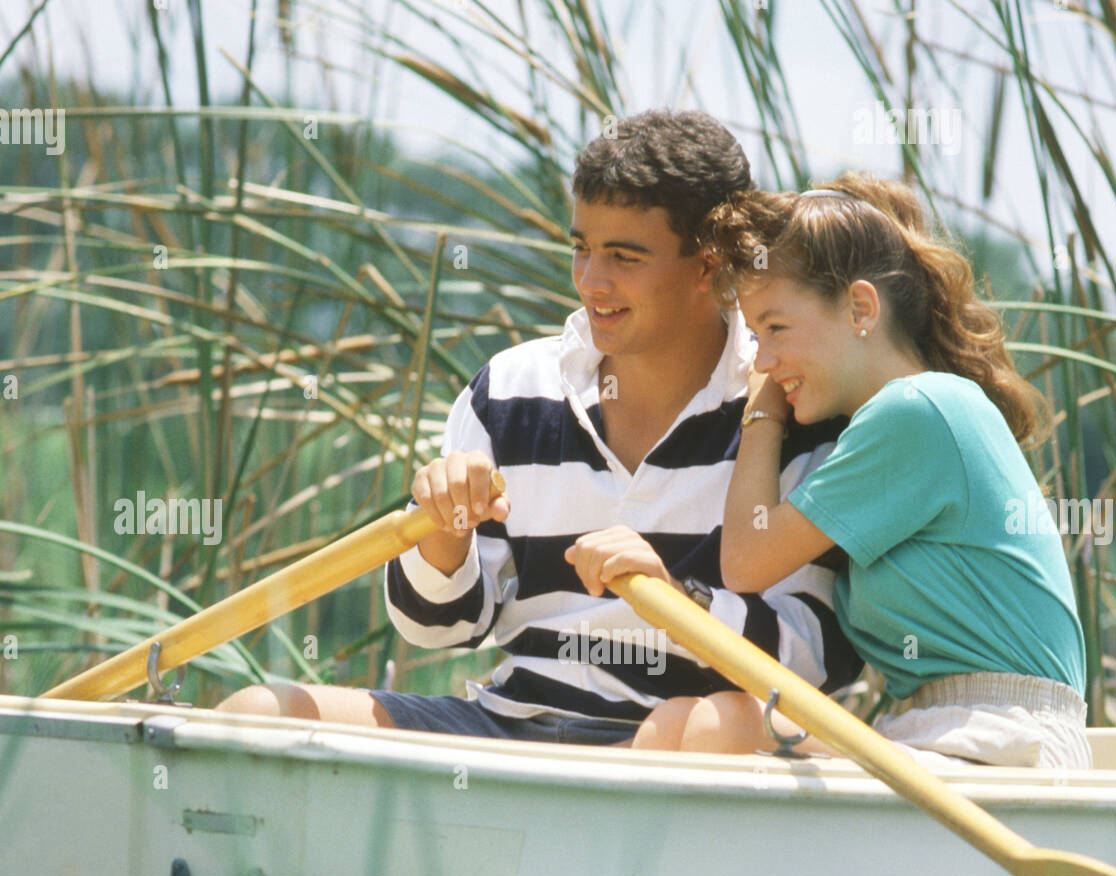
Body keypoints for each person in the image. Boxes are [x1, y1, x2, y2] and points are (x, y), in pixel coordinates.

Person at [217, 112, 861, 743]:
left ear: (708, 265)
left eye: (624, 257)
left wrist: (679, 601)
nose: (591, 281)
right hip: (511, 727)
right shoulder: (508, 391)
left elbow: (820, 658)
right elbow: (437, 628)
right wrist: (445, 531)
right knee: (257, 712)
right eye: (581, 248)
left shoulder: (792, 407)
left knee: (677, 738)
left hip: (680, 749)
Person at [634, 173, 1090, 769]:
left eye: (774, 328)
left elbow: (744, 562)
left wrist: (761, 413)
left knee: (716, 729)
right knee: (683, 723)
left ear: (860, 307)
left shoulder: (916, 410)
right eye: (752, 335)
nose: (762, 360)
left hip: (1002, 739)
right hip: (930, 729)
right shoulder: (895, 423)